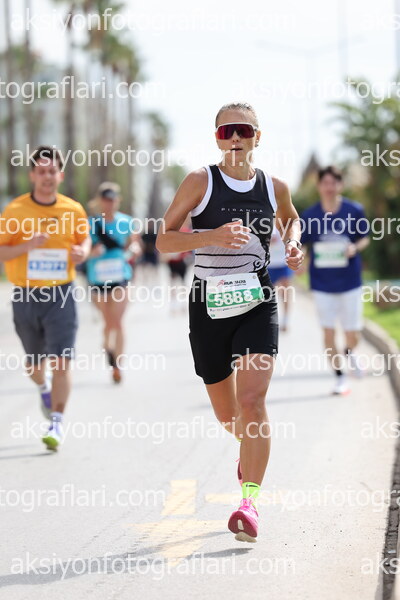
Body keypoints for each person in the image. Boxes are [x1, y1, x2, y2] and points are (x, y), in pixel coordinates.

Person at [156, 102, 303, 542]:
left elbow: (290, 220)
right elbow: (164, 239)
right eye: (226, 131)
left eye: (243, 130)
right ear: (217, 138)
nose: (235, 138)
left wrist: (292, 244)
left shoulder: (274, 186)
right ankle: (248, 448)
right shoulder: (200, 182)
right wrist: (211, 236)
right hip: (209, 304)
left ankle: (249, 502)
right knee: (229, 414)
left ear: (258, 137)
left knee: (253, 402)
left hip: (257, 298)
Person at [0, 146, 91, 451]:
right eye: (41, 171)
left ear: (60, 175)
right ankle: (42, 387)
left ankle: (57, 423)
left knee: (62, 361)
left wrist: (83, 252)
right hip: (25, 294)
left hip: (61, 293)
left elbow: (84, 239)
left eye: (52, 171)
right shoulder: (15, 210)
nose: (47, 176)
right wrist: (26, 246)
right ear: (32, 175)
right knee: (35, 366)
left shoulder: (73, 209)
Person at [301, 166, 370, 395]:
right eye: (325, 183)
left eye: (333, 182)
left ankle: (349, 352)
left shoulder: (354, 210)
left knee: (353, 335)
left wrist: (354, 248)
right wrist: (300, 260)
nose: (329, 187)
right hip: (322, 283)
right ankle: (340, 378)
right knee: (328, 332)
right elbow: (303, 244)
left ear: (340, 185)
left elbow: (364, 238)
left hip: (350, 282)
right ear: (319, 186)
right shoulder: (309, 215)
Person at [86, 182, 140, 384]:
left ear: (118, 200)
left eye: (113, 199)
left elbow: (134, 244)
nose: (109, 203)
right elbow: (82, 251)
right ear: (99, 201)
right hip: (98, 279)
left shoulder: (126, 222)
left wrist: (133, 250)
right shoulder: (90, 224)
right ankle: (107, 347)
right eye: (106, 199)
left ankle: (117, 366)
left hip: (120, 277)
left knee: (118, 322)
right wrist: (92, 252)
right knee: (108, 323)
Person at [267, 226, 294, 331]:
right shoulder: (263, 223)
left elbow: (293, 239)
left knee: (285, 293)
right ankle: (269, 320)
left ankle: (286, 320)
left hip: (283, 263)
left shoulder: (284, 224)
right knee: (268, 294)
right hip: (269, 264)